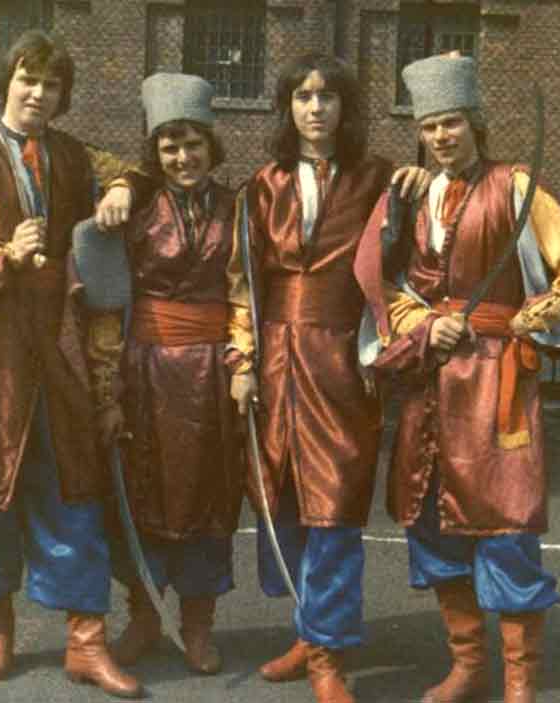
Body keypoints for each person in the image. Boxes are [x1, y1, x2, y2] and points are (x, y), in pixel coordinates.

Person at [353, 53, 560, 703]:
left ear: (476, 124)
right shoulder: (414, 194)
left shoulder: (514, 186)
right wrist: (421, 322)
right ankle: (469, 667)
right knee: (433, 524)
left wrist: (533, 315)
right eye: (432, 126)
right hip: (430, 381)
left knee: (505, 528)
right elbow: (386, 281)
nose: (442, 136)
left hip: (497, 384)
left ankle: (520, 683)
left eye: (453, 123)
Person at [0, 30, 141, 699]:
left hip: (57, 346)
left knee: (73, 484)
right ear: (7, 81)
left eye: (52, 85)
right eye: (28, 80)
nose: (38, 94)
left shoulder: (71, 155)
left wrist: (121, 186)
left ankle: (86, 638)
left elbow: (132, 172)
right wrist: (1, 254)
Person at [226, 53, 430, 703]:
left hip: (341, 360)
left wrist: (422, 186)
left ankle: (329, 655)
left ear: (346, 107)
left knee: (335, 504)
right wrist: (242, 361)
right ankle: (307, 629)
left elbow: (401, 263)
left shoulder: (378, 180)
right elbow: (243, 284)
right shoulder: (261, 185)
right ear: (288, 107)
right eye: (304, 96)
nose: (317, 108)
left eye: (329, 96)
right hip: (276, 364)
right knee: (282, 500)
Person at [78, 73, 244, 677]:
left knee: (210, 496)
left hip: (212, 375)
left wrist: (243, 364)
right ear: (154, 152)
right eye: (169, 145)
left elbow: (246, 292)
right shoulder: (133, 208)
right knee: (140, 494)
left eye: (192, 142)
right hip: (143, 372)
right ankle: (146, 618)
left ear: (211, 144)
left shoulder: (238, 207)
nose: (182, 157)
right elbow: (104, 305)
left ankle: (198, 625)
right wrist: (108, 390)